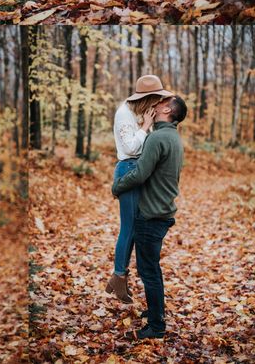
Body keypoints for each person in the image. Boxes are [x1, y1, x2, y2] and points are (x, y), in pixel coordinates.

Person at [112, 93, 187, 341]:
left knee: (149, 271)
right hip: (163, 211)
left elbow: (140, 174)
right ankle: (155, 312)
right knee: (151, 268)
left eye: (161, 103)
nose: (155, 104)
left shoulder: (156, 138)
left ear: (167, 111)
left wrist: (118, 186)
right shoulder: (173, 137)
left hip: (151, 214)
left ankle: (156, 326)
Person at [106, 76, 172, 304]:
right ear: (147, 98)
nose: (157, 105)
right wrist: (145, 126)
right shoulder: (124, 113)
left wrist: (148, 124)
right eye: (156, 100)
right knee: (129, 226)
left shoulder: (137, 112)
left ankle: (119, 275)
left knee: (135, 227)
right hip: (128, 169)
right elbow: (130, 147)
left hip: (136, 169)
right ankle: (119, 274)